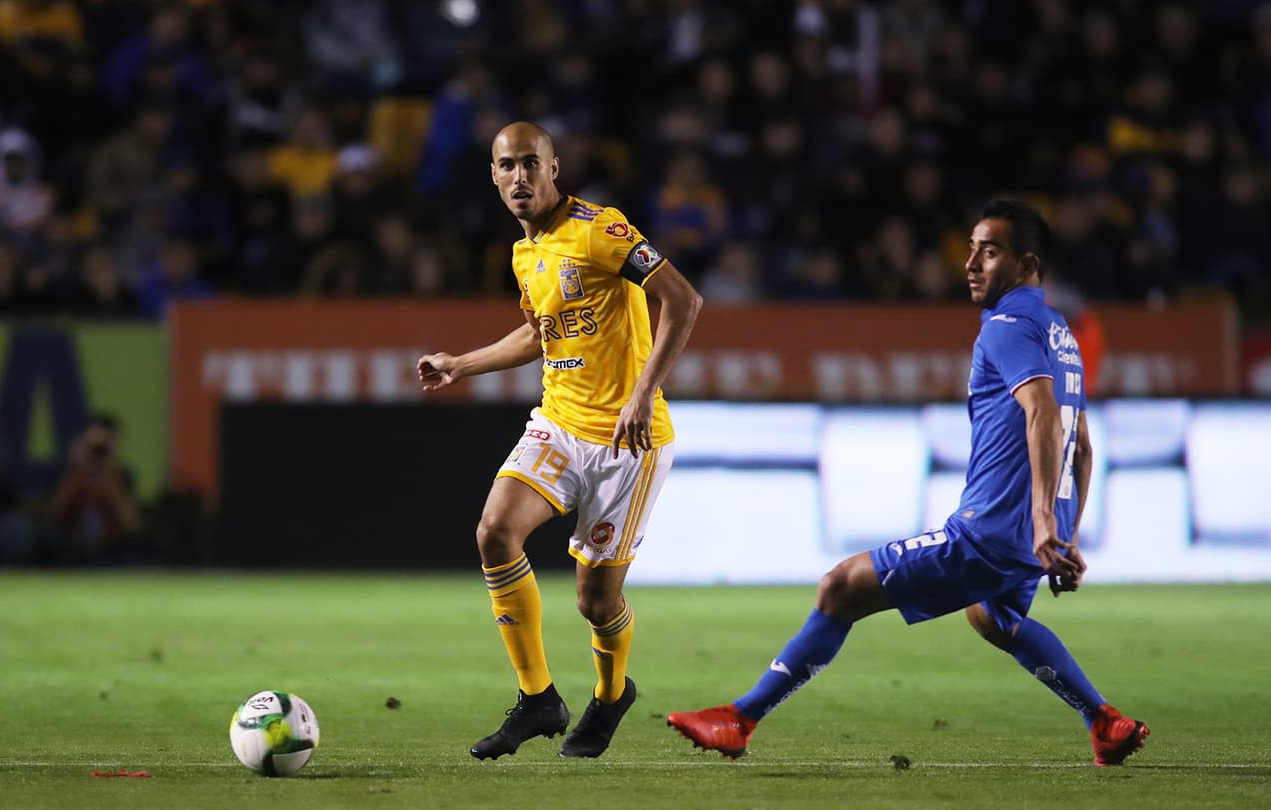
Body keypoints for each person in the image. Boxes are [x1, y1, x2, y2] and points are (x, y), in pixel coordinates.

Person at [666, 199, 1149, 767]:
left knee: (839, 588)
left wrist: (1045, 521)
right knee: (994, 616)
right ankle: (1103, 721)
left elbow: (1042, 412)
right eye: (971, 248)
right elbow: (1082, 445)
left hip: (992, 533)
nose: (971, 263)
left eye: (990, 252)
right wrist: (1064, 534)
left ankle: (740, 719)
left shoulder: (1007, 328)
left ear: (1026, 265)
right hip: (1032, 535)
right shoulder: (1060, 332)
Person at [417, 121, 703, 760]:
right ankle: (538, 698)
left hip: (629, 441)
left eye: (530, 163)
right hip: (559, 423)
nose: (519, 176)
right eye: (507, 165)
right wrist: (462, 363)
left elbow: (683, 301)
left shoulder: (602, 230)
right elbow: (536, 333)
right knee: (495, 532)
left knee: (596, 602)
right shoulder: (524, 253)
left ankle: (611, 693)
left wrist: (642, 393)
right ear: (493, 177)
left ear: (553, 168)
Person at [46, 413, 141, 564]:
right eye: (95, 446)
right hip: (72, 548)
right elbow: (52, 517)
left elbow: (131, 525)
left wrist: (110, 482)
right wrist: (77, 472)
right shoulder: (71, 473)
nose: (99, 451)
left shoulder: (122, 476)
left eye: (104, 447)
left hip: (113, 549)